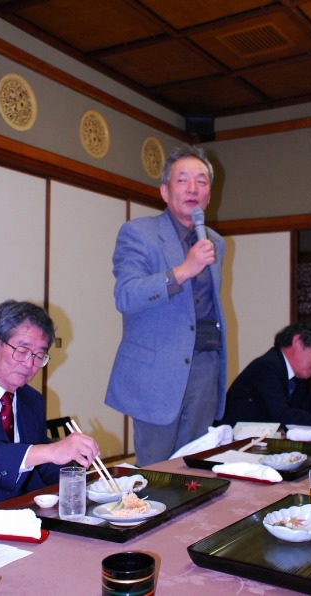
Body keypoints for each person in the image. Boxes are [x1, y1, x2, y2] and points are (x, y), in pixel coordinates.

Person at [105, 145, 227, 466]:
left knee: (196, 470)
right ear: (164, 191)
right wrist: (183, 270)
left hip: (205, 366)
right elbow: (126, 295)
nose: (192, 189)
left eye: (201, 182)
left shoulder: (215, 242)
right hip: (157, 373)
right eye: (182, 180)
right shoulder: (139, 233)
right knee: (157, 472)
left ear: (209, 194)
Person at [0, 299, 100, 514]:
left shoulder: (31, 400)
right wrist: (49, 451)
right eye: (22, 350)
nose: (30, 364)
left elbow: (37, 467)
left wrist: (75, 465)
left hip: (19, 514)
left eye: (39, 356)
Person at [217, 320, 311, 429]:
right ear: (297, 342)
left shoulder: (297, 374)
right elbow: (283, 416)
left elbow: (300, 413)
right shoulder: (267, 366)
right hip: (232, 445)